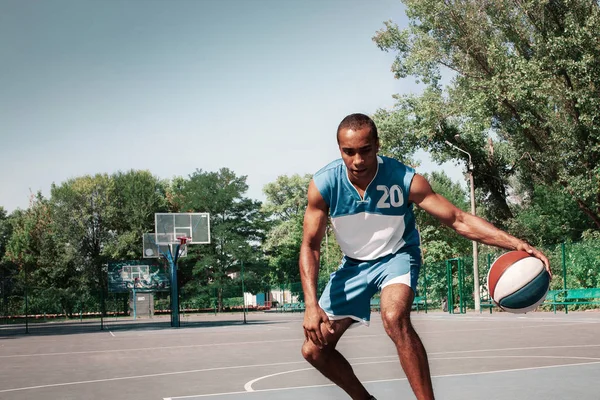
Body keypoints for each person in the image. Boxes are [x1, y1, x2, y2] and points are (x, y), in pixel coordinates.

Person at [299, 113, 551, 400]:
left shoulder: (403, 179)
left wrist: (514, 243)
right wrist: (311, 305)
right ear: (340, 150)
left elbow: (457, 219)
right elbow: (311, 246)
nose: (358, 160)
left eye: (365, 150)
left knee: (394, 318)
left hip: (396, 256)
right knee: (314, 350)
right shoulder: (324, 185)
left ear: (377, 145)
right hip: (354, 266)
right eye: (349, 152)